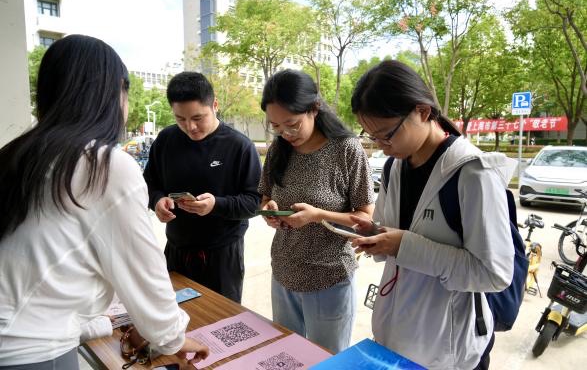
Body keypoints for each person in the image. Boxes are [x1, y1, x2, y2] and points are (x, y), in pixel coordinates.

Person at [0, 35, 208, 369]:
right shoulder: (102, 164)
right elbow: (143, 268)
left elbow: (46, 264)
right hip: (31, 350)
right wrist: (173, 337)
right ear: (114, 94)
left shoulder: (19, 154)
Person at [348, 60, 516, 369]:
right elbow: (393, 236)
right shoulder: (394, 167)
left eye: (387, 135)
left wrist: (403, 245)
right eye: (373, 137)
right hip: (396, 335)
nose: (383, 148)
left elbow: (494, 274)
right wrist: (374, 234)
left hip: (448, 349)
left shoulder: (472, 174)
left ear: (423, 112)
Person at [258, 69, 375, 353]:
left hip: (329, 277)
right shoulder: (279, 150)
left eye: (292, 124)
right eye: (276, 126)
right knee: (287, 356)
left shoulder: (346, 149)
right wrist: (268, 209)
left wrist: (318, 215)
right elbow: (264, 196)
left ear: (314, 109)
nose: (285, 133)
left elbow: (365, 219)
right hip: (284, 271)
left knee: (327, 358)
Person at [143, 72, 261, 304]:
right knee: (175, 319)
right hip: (176, 250)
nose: (191, 127)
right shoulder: (166, 140)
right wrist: (156, 201)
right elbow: (148, 184)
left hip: (222, 256)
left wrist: (216, 205)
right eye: (181, 119)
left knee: (221, 321)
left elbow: (255, 202)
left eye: (198, 117)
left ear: (214, 105)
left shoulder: (239, 146)